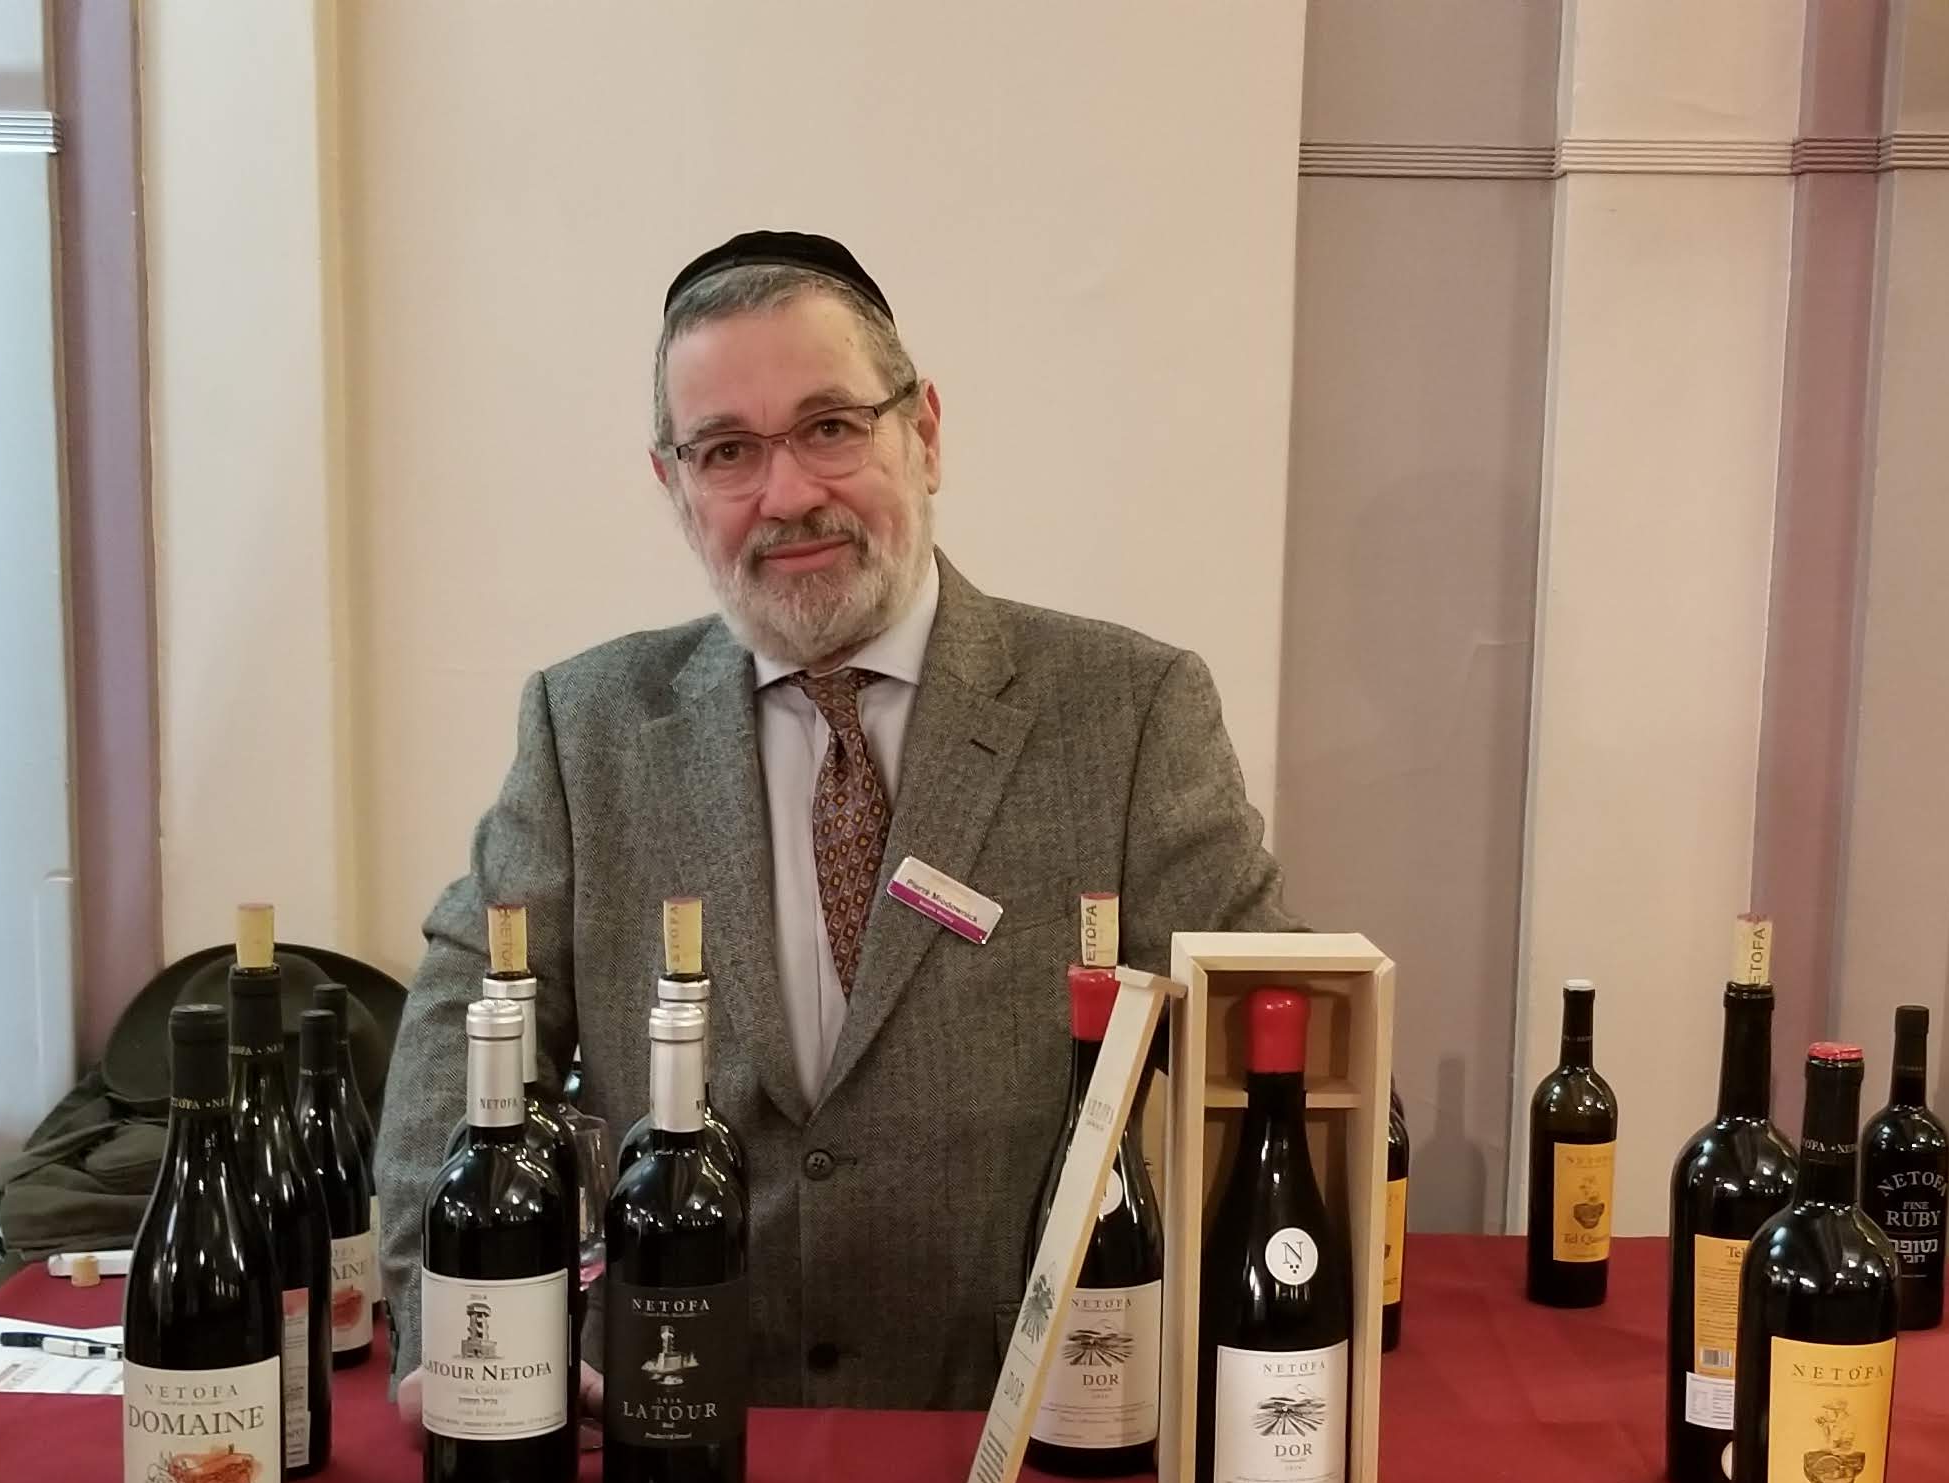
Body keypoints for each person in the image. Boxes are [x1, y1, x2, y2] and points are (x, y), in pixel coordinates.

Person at [373, 230, 1295, 1413]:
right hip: (669, 1420)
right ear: (674, 487)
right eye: (727, 451)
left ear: (926, 434)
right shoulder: (585, 728)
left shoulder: (1128, 712)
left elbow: (1271, 1038)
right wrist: (454, 1337)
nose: (789, 494)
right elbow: (464, 1026)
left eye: (830, 427)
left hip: (1016, 1428)